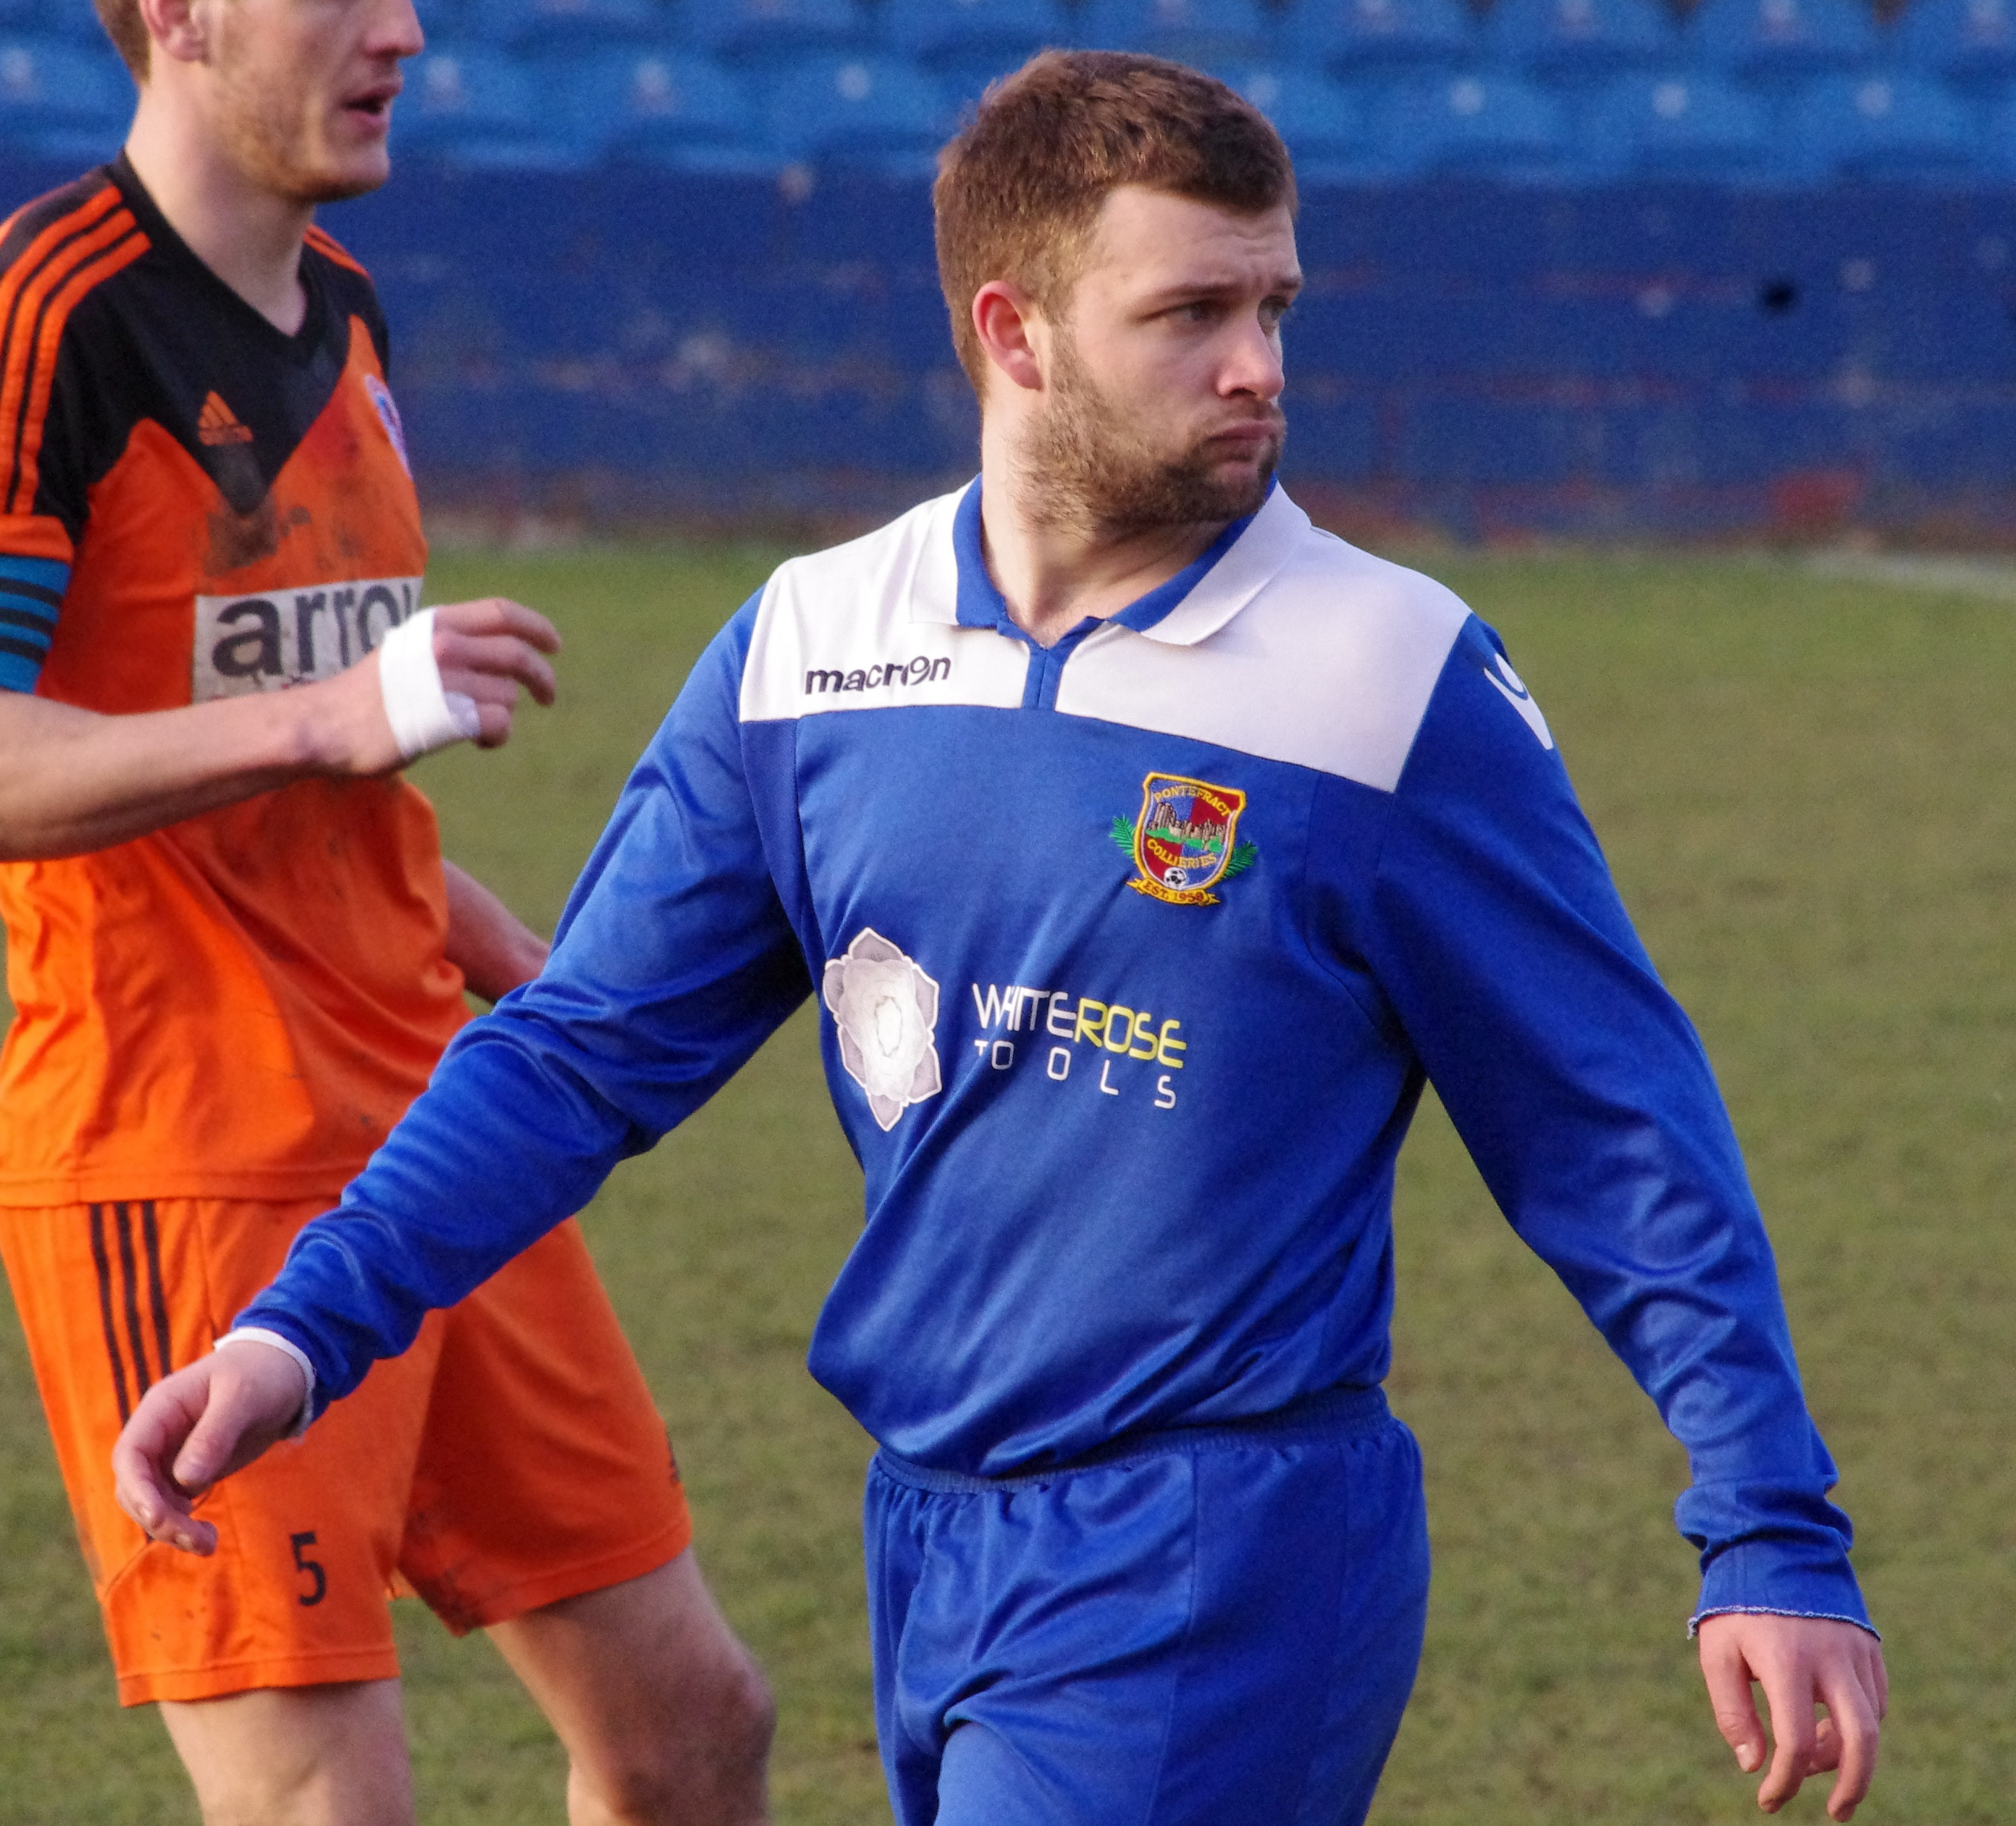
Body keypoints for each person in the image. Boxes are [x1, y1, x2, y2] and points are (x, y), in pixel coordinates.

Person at [113, 49, 1886, 1826]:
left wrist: (1771, 1530)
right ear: (1013, 332)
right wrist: (294, 1337)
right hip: (931, 1533)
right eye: (1191, 312)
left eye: (1275, 304)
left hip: (1223, 1548)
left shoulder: (1391, 682)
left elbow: (1609, 1121)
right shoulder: (809, 648)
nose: (1260, 365)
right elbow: (579, 1048)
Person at [0, 2, 773, 1822]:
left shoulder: (347, 308)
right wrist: (330, 714)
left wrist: (499, 942)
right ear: (179, 14)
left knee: (690, 1734)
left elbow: (295, 787)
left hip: (430, 1131)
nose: (404, 30)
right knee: (325, 1805)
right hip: (180, 1148)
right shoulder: (46, 322)